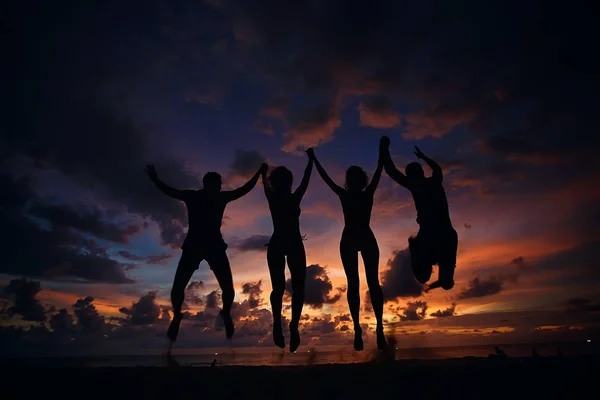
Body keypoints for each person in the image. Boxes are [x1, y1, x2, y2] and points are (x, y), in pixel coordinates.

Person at [145, 162, 269, 343]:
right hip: (194, 246)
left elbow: (243, 190)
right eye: (216, 185)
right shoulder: (194, 196)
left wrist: (258, 173)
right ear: (207, 184)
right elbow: (170, 191)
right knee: (178, 288)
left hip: (214, 247)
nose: (218, 188)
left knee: (227, 288)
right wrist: (155, 179)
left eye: (219, 185)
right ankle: (177, 316)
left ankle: (225, 312)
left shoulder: (220, 197)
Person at [306, 147, 387, 351]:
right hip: (353, 238)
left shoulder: (353, 194)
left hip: (357, 237)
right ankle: (363, 329)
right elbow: (377, 171)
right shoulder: (359, 193)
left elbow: (377, 172)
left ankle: (376, 328)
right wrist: (383, 152)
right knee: (362, 283)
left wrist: (383, 152)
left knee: (367, 283)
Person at [378, 136, 458, 292]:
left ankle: (420, 251)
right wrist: (424, 157)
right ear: (421, 172)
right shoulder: (433, 182)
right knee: (443, 281)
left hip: (436, 234)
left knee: (433, 279)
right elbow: (437, 170)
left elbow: (391, 171)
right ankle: (421, 252)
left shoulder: (418, 184)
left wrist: (383, 148)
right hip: (444, 234)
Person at [261, 153, 313, 352]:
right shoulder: (292, 198)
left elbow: (265, 184)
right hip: (291, 243)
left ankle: (283, 325)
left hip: (281, 243)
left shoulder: (273, 197)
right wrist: (310, 161)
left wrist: (263, 174)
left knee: (280, 288)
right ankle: (289, 326)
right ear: (288, 182)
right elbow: (306, 180)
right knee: (295, 288)